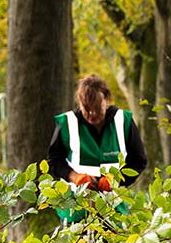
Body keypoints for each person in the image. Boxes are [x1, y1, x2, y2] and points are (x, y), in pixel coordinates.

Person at [48, 75, 148, 223]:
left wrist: (116, 180)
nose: (92, 114)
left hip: (114, 202)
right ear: (80, 103)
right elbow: (54, 161)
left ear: (106, 100)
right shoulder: (67, 123)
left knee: (118, 239)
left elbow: (139, 160)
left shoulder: (123, 121)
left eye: (97, 108)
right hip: (77, 204)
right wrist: (75, 176)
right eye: (86, 109)